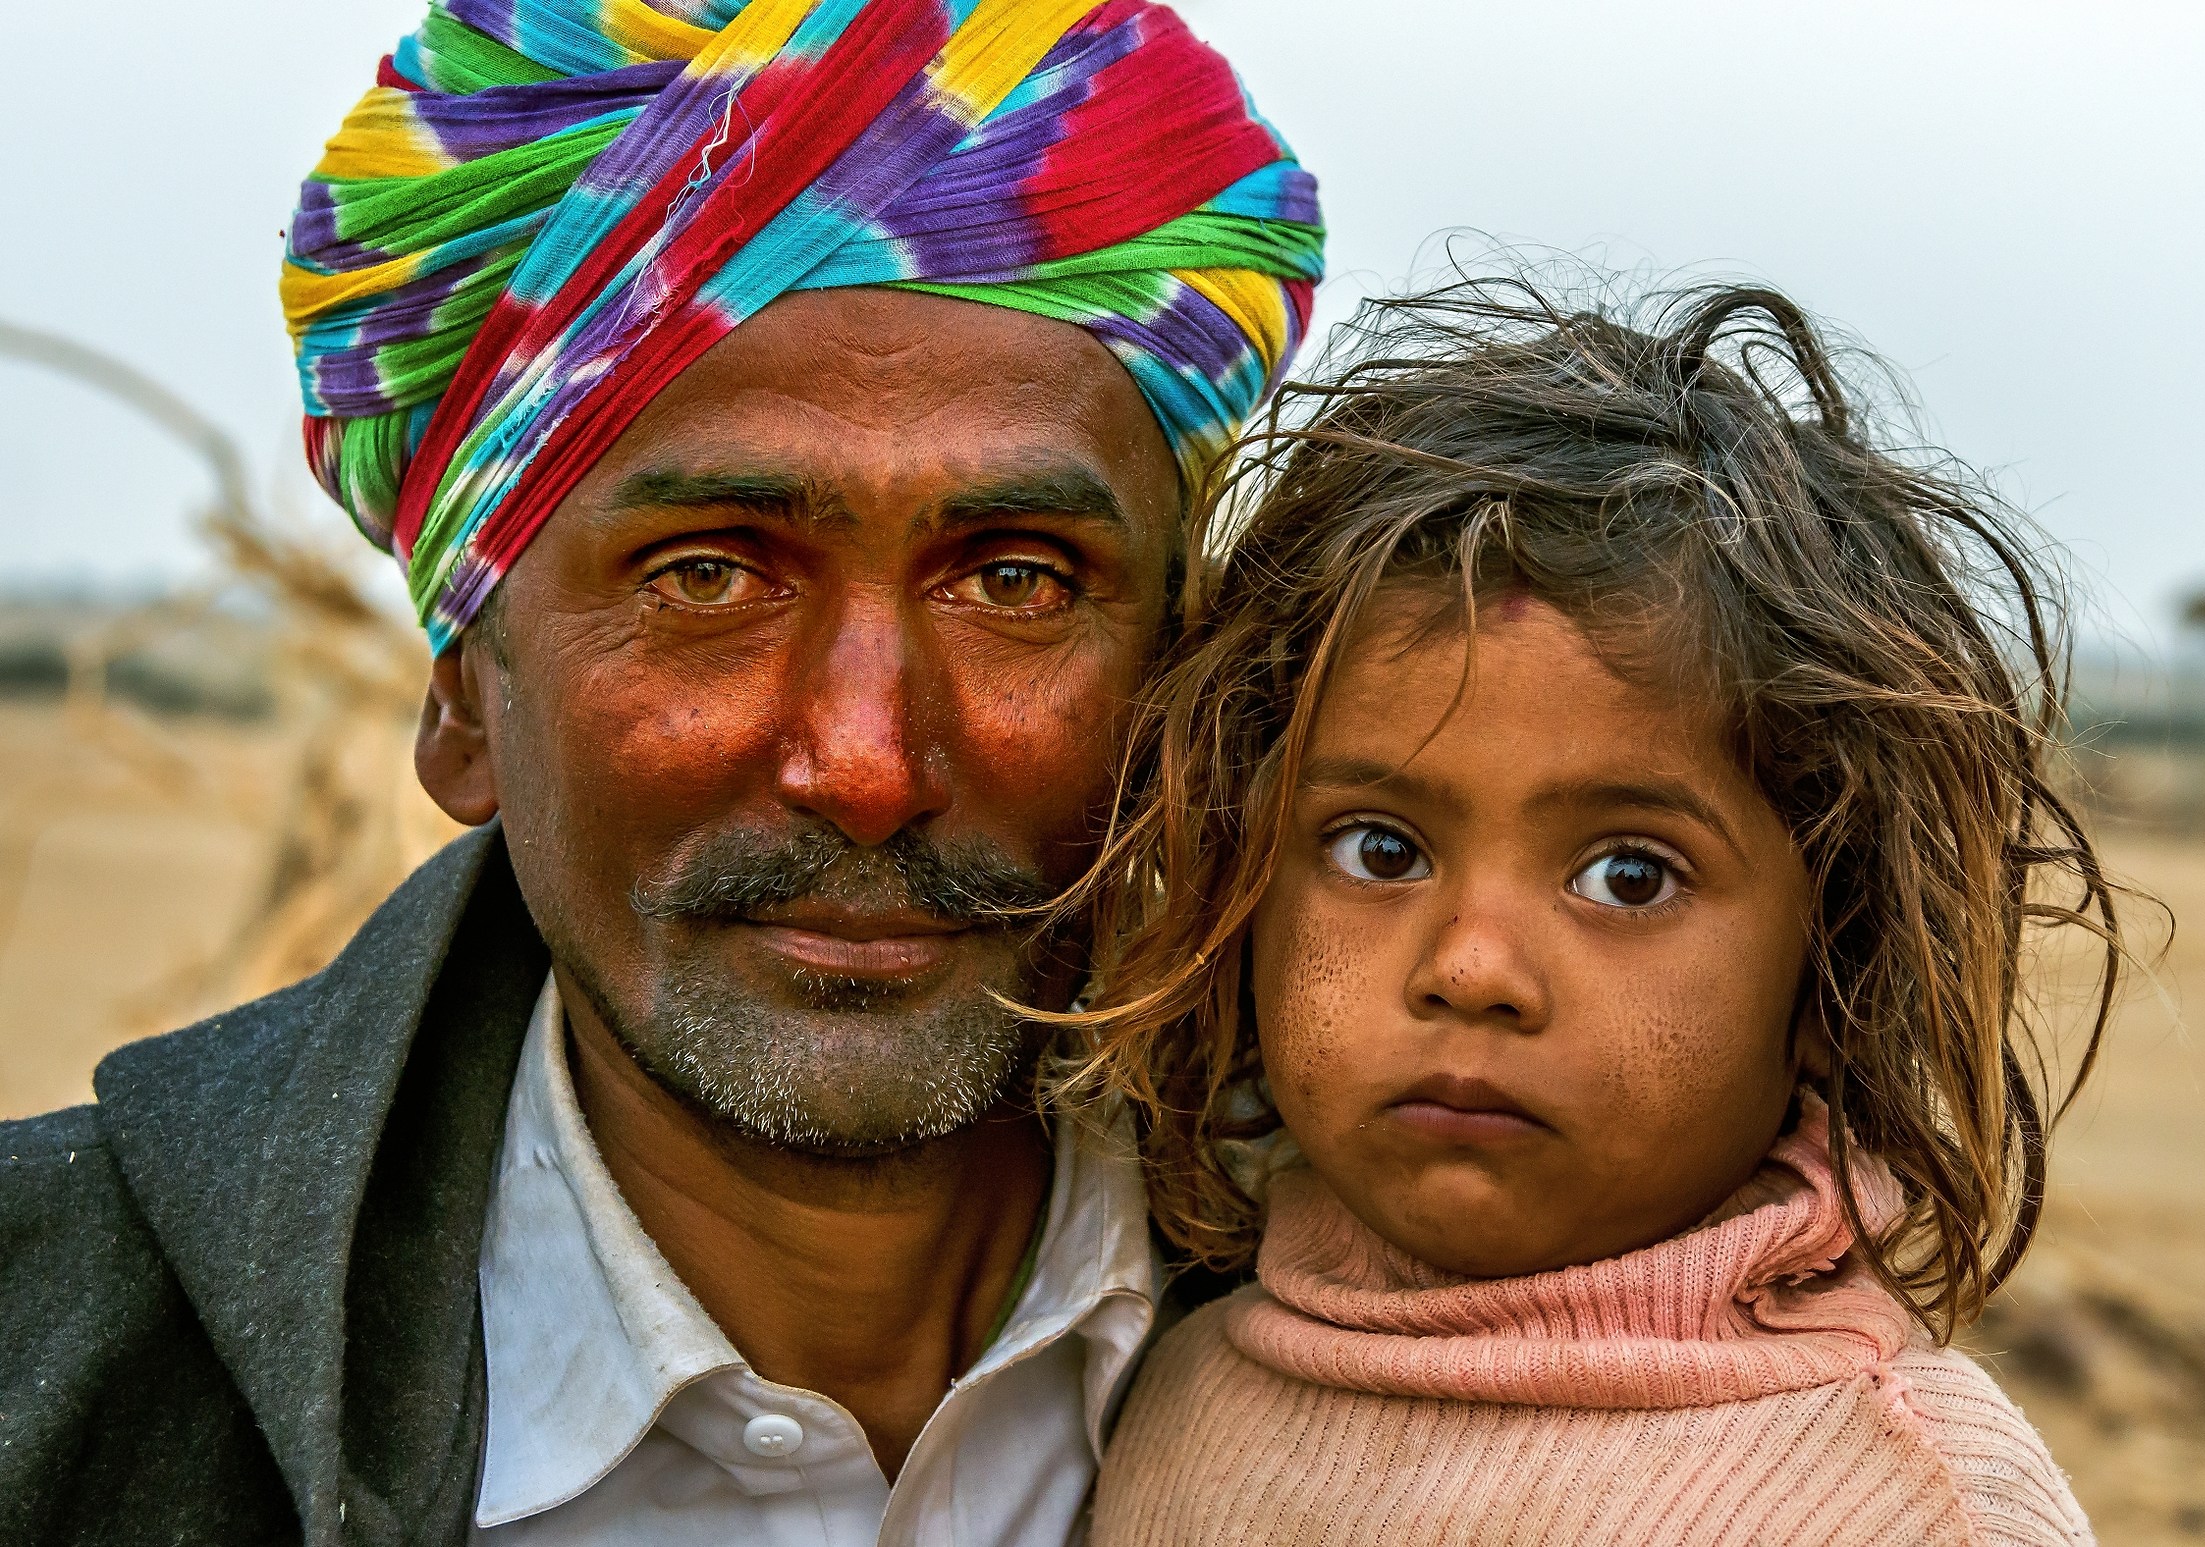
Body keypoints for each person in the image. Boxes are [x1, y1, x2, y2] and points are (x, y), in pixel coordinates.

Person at [0, 3, 1320, 1543]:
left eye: (1016, 580)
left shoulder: (1496, 1313)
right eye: (707, 577)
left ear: (1181, 665)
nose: (869, 761)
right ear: (466, 702)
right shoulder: (52, 1358)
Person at [1056, 279, 2124, 1544]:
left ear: (1835, 969)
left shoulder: (1897, 1502)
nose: (1471, 966)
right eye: (1379, 847)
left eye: (1628, 875)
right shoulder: (1167, 1383)